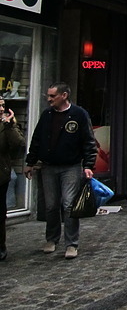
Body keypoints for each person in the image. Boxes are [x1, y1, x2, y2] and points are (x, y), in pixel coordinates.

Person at [23, 83, 97, 260]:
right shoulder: (47, 115)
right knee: (50, 205)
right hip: (48, 166)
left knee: (69, 204)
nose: (49, 99)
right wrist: (30, 162)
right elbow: (37, 139)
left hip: (70, 166)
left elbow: (88, 141)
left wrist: (88, 165)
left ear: (64, 95)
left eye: (52, 96)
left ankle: (71, 243)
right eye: (48, 96)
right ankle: (51, 239)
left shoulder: (79, 114)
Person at [0, 98, 25, 261]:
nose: (1, 108)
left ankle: (0, 246)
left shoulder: (7, 125)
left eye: (2, 105)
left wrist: (9, 125)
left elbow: (19, 145)